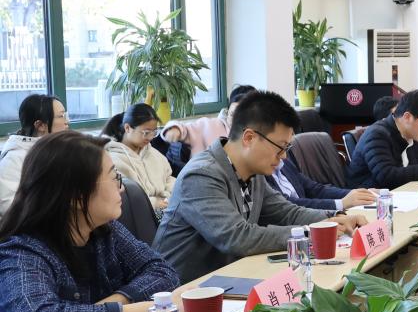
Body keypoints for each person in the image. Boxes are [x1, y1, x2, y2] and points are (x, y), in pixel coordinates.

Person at [0, 132, 179, 312]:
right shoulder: (22, 251)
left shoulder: (104, 229)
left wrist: (115, 302)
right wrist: (148, 310)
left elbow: (162, 272)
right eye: (114, 177)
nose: (121, 188)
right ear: (75, 196)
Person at [153, 91, 365, 282]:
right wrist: (311, 232)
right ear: (249, 138)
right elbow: (238, 237)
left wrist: (334, 218)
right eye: (280, 147)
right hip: (182, 291)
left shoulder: (253, 173)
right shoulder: (201, 175)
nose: (283, 157)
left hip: (230, 277)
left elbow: (286, 212)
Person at [347, 89, 418, 189]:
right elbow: (387, 176)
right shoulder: (377, 135)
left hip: (400, 193)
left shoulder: (409, 134)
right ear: (407, 117)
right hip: (370, 199)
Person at [0, 94, 69, 216]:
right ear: (40, 125)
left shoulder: (57, 148)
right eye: (61, 116)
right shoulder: (15, 158)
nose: (67, 121)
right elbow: (7, 206)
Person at [102, 103, 176, 215]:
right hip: (141, 215)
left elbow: (168, 179)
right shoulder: (112, 160)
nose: (150, 137)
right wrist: (154, 203)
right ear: (127, 128)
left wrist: (170, 198)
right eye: (146, 133)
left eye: (154, 132)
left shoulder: (154, 154)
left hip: (167, 208)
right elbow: (124, 199)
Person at [159, 84, 256, 155]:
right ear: (229, 109)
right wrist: (175, 129)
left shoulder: (257, 134)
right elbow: (186, 129)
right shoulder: (210, 126)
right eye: (232, 114)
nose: (236, 120)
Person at [266, 157, 377, 211]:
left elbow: (316, 189)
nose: (284, 155)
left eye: (287, 146)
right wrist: (341, 203)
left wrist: (357, 194)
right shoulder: (261, 175)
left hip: (311, 219)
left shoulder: (284, 161)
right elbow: (287, 205)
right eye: (281, 146)